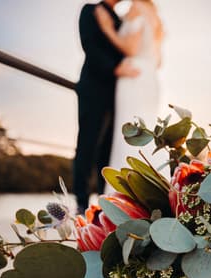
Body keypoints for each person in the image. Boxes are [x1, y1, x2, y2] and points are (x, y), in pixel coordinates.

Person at [72, 1, 142, 212]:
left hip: (118, 94)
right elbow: (89, 46)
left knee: (109, 149)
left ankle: (105, 202)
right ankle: (81, 203)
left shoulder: (120, 21)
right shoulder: (90, 10)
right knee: (87, 145)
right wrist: (114, 69)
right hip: (93, 89)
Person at [101, 0, 165, 172]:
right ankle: (153, 183)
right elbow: (159, 62)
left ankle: (125, 187)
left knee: (129, 132)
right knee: (147, 130)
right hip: (149, 76)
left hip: (133, 75)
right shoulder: (155, 15)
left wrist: (108, 29)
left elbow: (131, 48)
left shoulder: (137, 7)